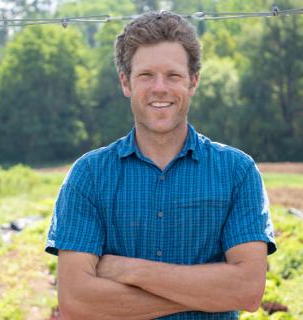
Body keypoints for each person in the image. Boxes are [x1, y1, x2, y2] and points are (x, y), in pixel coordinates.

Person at [45, 11, 276, 320]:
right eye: (146, 75)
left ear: (193, 81)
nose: (160, 88)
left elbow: (247, 290)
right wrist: (207, 293)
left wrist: (129, 270)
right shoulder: (89, 176)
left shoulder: (237, 172)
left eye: (173, 75)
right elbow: (76, 302)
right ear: (125, 82)